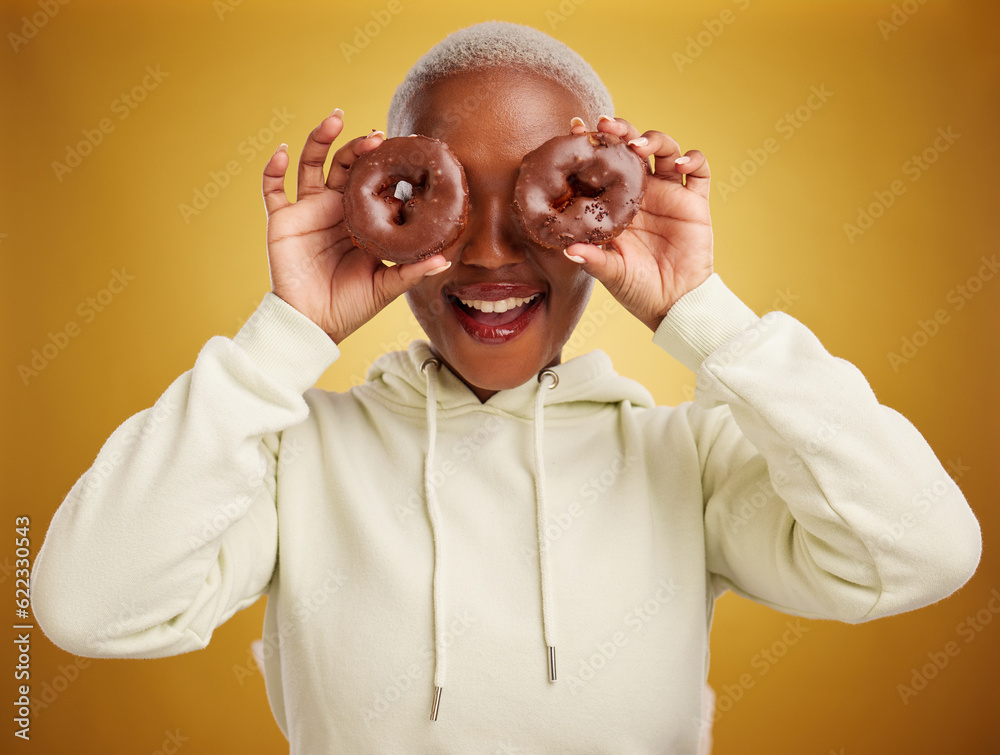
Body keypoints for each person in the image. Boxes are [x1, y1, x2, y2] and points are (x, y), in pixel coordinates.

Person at [31, 21, 981, 754]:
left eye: (535, 204)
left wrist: (706, 315)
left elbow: (923, 550)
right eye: (441, 202)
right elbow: (87, 605)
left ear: (606, 207)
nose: (489, 254)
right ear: (384, 208)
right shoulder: (291, 456)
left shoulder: (686, 461)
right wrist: (286, 335)